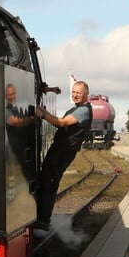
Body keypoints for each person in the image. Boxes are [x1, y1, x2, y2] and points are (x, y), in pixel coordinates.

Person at [34, 80, 93, 231]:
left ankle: (43, 220)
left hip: (64, 151)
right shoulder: (77, 108)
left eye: (79, 93)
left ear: (86, 94)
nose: (75, 95)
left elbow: (62, 123)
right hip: (60, 148)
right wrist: (46, 108)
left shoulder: (83, 111)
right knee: (45, 178)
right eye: (73, 92)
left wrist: (43, 115)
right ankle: (40, 216)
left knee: (49, 181)